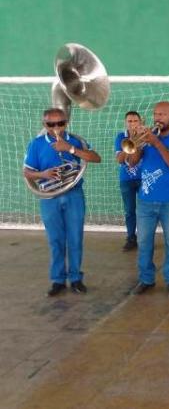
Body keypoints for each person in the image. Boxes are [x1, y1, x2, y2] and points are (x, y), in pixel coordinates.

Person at [23, 108, 102, 296]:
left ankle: (76, 279)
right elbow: (27, 172)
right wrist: (44, 174)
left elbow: (96, 158)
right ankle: (58, 280)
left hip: (74, 194)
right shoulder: (37, 144)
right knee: (55, 240)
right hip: (49, 197)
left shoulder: (76, 141)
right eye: (51, 124)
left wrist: (70, 149)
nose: (56, 127)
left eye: (60, 123)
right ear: (45, 125)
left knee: (75, 238)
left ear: (66, 123)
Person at [128, 101, 169, 296]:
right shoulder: (147, 137)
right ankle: (146, 279)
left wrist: (157, 144)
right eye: (155, 114)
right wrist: (137, 142)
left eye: (162, 114)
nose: (157, 118)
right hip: (146, 200)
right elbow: (131, 162)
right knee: (144, 242)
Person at [114, 111, 143, 252]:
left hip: (144, 178)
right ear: (126, 123)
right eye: (130, 121)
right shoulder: (121, 137)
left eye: (135, 121)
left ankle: (145, 237)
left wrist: (138, 140)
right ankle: (131, 238)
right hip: (126, 179)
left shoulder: (146, 136)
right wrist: (130, 144)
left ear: (140, 122)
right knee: (129, 210)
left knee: (145, 210)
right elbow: (119, 159)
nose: (132, 124)